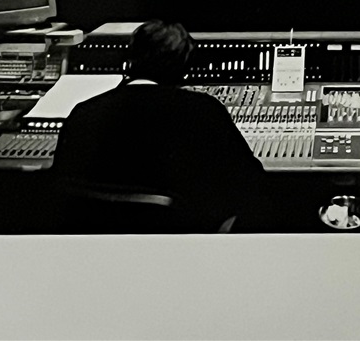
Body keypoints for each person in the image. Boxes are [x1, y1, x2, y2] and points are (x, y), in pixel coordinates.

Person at [51, 20, 265, 232]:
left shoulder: (84, 111)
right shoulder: (203, 110)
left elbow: (59, 183)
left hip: (96, 246)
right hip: (182, 246)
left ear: (130, 59)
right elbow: (251, 180)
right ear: (184, 67)